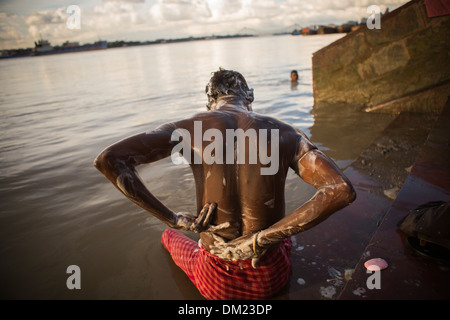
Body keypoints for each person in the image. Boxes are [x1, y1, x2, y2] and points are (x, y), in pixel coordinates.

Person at [94, 68, 356, 300]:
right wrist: (264, 237)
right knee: (286, 233)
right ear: (249, 96)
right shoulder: (287, 132)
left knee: (169, 237)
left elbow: (109, 160)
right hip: (271, 277)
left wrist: (173, 219)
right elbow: (340, 190)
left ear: (210, 102)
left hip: (218, 284)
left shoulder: (187, 128)